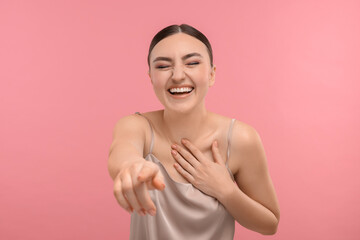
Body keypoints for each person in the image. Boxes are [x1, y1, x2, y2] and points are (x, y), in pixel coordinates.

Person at [108, 24, 280, 239]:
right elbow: (123, 152)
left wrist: (226, 191)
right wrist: (131, 167)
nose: (178, 75)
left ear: (211, 74)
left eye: (192, 63)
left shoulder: (241, 138)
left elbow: (269, 224)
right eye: (163, 66)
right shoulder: (136, 126)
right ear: (151, 77)